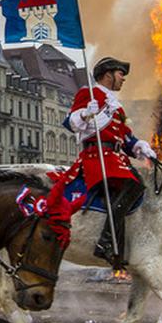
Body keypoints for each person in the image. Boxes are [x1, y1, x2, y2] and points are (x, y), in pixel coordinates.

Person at [63, 56, 155, 266]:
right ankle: (106, 242)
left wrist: (139, 146)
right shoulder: (89, 94)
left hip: (116, 158)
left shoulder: (116, 106)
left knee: (139, 185)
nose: (123, 79)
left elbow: (124, 136)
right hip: (98, 157)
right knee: (133, 185)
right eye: (120, 74)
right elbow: (69, 123)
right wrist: (86, 114)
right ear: (108, 75)